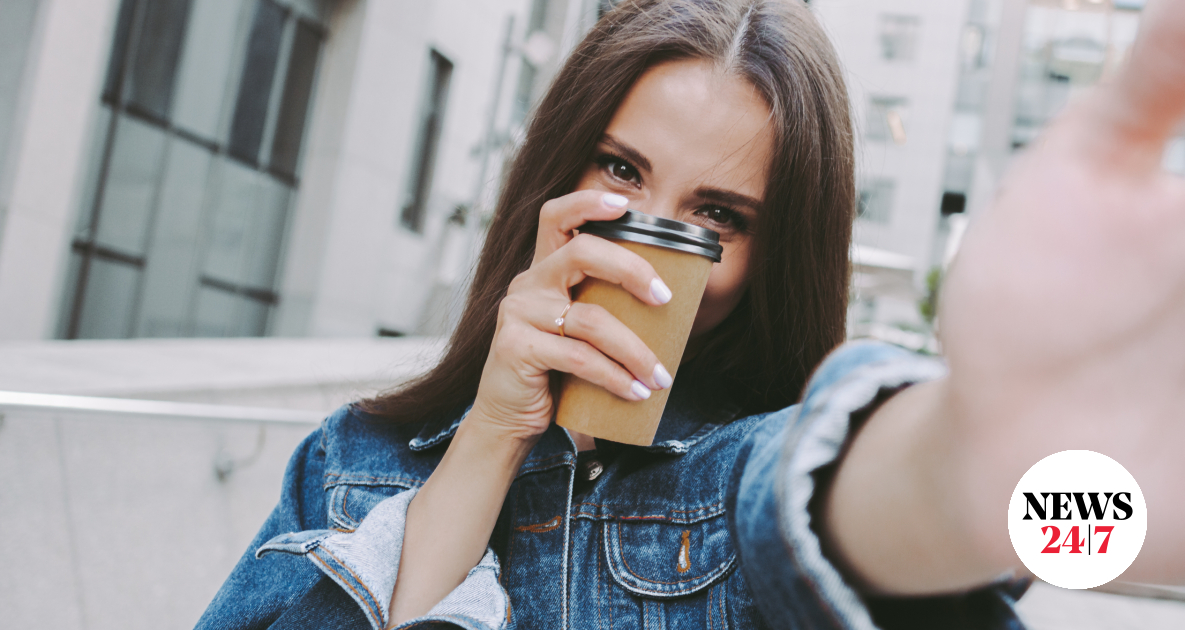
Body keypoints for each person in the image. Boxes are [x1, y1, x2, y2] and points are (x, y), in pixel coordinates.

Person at [196, 0, 1185, 628]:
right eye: (620, 170)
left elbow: (839, 504)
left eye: (721, 215)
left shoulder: (742, 485)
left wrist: (998, 473)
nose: (650, 238)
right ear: (557, 172)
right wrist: (496, 431)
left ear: (771, 262)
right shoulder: (350, 465)